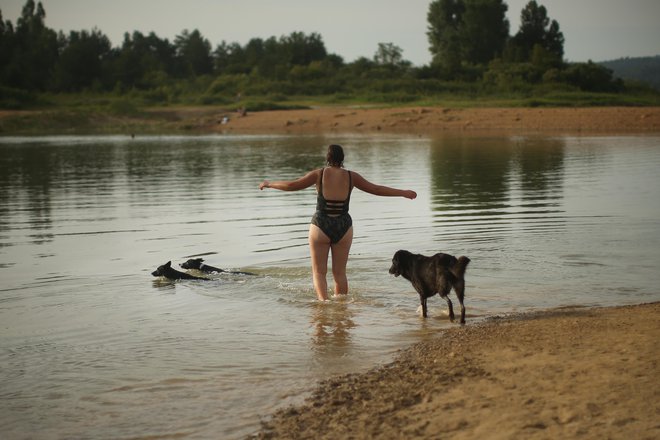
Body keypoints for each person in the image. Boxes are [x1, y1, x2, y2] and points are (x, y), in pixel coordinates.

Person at [259, 144, 417, 301]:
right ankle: (341, 308)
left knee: (319, 273)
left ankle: (324, 303)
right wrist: (403, 193)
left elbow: (292, 185)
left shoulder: (318, 174)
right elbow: (377, 189)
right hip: (344, 226)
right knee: (340, 273)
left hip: (321, 225)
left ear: (327, 158)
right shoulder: (351, 176)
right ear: (343, 159)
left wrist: (269, 184)